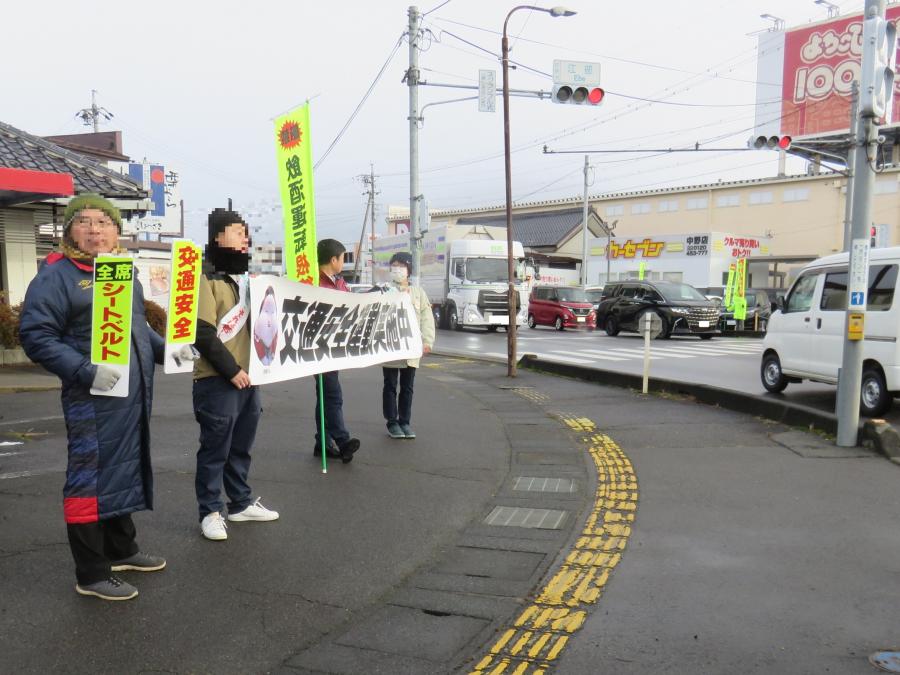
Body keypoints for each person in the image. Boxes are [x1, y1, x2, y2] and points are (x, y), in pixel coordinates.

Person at [19, 193, 177, 601]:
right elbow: (37, 336)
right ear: (69, 229)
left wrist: (168, 350)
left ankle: (121, 550)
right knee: (89, 477)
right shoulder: (56, 276)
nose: (95, 230)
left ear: (116, 230)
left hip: (131, 394)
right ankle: (90, 571)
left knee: (122, 466)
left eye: (104, 222)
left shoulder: (123, 270)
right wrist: (86, 371)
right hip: (91, 398)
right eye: (85, 221)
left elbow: (136, 328)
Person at [192, 208, 278, 541]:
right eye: (237, 232)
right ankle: (210, 511)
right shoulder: (205, 276)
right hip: (217, 379)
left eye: (246, 233)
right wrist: (232, 371)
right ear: (217, 237)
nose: (245, 238)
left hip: (249, 377)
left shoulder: (247, 279)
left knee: (241, 446)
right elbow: (201, 331)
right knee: (215, 449)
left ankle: (240, 503)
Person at [313, 239, 360, 463]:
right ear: (333, 260)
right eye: (343, 258)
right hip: (318, 349)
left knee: (325, 396)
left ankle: (322, 441)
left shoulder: (339, 282)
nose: (343, 262)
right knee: (332, 394)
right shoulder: (312, 283)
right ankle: (342, 440)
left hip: (336, 348)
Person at [381, 252, 435, 439]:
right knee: (390, 385)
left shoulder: (418, 292)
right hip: (391, 346)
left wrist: (427, 341)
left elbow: (427, 318)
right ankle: (392, 422)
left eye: (401, 266)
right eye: (394, 265)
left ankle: (405, 421)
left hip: (411, 347)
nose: (397, 269)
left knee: (408, 386)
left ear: (409, 270)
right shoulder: (385, 289)